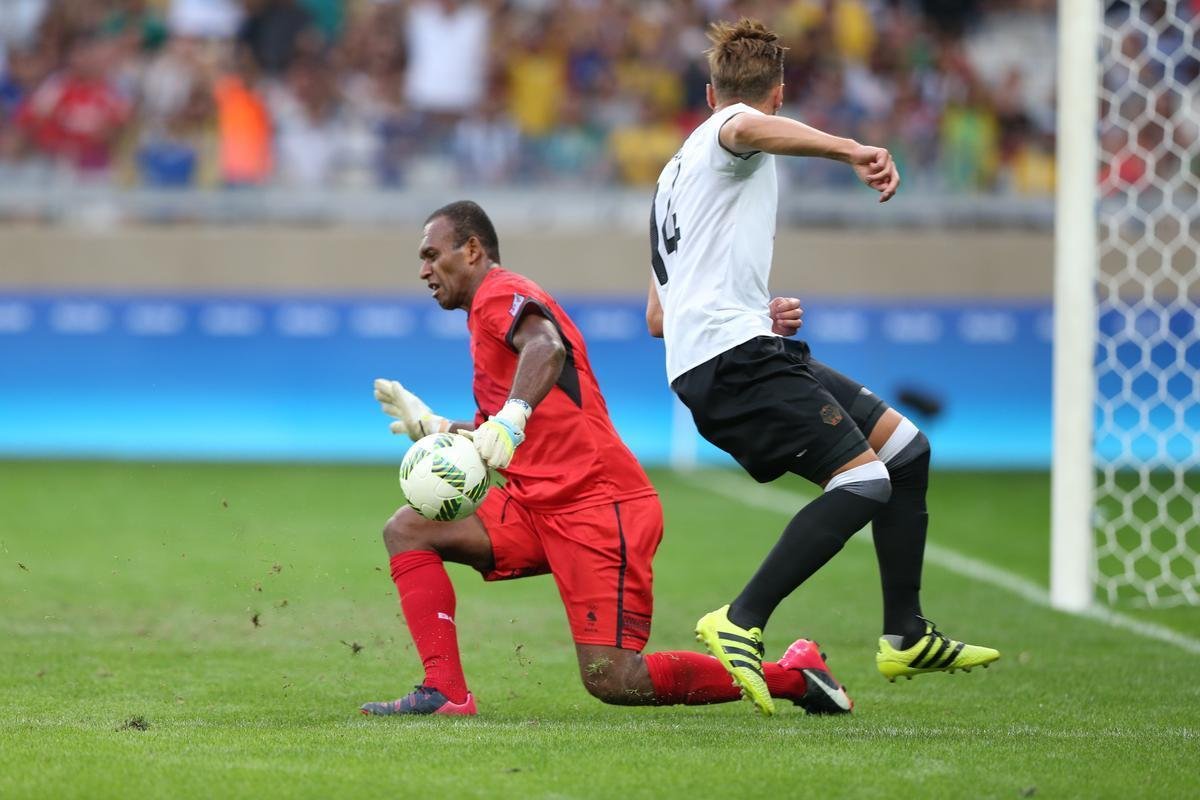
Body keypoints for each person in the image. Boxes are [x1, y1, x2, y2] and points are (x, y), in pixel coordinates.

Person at [360, 200, 853, 716]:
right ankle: (445, 693)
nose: (423, 270)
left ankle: (795, 678)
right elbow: (509, 428)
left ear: (473, 249)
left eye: (431, 254)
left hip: (598, 505)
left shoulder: (499, 294)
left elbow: (545, 348)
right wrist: (437, 426)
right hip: (538, 503)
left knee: (614, 678)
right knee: (409, 529)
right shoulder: (486, 313)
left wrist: (512, 416)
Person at [646, 19, 999, 716]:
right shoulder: (732, 133)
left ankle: (905, 632)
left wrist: (753, 306)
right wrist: (852, 150)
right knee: (864, 481)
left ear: (710, 87)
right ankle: (741, 618)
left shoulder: (668, 183)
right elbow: (743, 130)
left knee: (905, 450)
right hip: (732, 361)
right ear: (777, 95)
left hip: (736, 345)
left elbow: (660, 314)